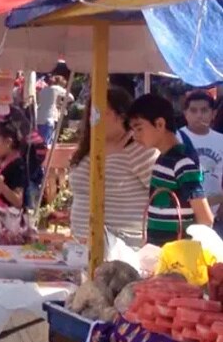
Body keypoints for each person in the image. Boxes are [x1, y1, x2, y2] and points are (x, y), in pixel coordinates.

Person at [70, 88, 157, 247]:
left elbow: (159, 195)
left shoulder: (140, 149)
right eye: (92, 112)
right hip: (81, 244)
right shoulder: (87, 149)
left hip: (124, 246)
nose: (94, 117)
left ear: (122, 116)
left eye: (102, 112)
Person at [128, 93, 214, 246]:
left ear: (160, 124)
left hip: (178, 256)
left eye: (139, 128)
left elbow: (205, 218)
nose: (135, 136)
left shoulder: (183, 162)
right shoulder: (162, 160)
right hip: (159, 253)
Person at [179, 91, 223, 224]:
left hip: (216, 214)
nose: (199, 115)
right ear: (185, 113)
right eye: (193, 110)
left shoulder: (221, 140)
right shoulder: (176, 139)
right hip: (184, 213)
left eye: (204, 110)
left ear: (213, 114)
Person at [36, 74, 73, 143]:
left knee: (40, 142)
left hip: (39, 117)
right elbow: (71, 97)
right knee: (47, 142)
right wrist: (62, 102)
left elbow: (39, 101)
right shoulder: (57, 88)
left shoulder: (43, 90)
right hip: (49, 118)